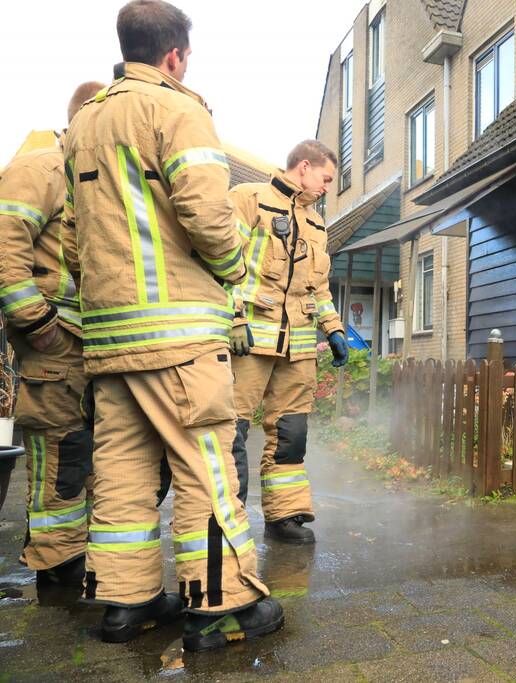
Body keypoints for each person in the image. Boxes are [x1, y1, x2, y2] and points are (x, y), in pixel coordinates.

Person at [62, 0, 282, 651]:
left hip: (108, 336)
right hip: (180, 334)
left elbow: (76, 237)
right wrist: (239, 267)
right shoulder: (179, 108)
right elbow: (209, 216)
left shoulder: (82, 125)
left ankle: (125, 603)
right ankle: (220, 606)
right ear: (175, 55)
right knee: (204, 466)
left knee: (123, 469)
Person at [0, 81, 104, 588]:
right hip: (55, 343)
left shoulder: (85, 178)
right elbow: (4, 244)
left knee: (78, 449)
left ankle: (65, 553)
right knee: (61, 453)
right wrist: (36, 323)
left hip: (83, 344)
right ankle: (56, 563)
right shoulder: (40, 169)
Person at [228, 140, 347, 544]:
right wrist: (233, 318)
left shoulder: (317, 225)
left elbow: (320, 288)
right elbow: (221, 263)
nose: (328, 187)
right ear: (305, 167)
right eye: (326, 178)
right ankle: (229, 518)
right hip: (250, 341)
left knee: (291, 432)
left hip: (297, 346)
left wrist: (333, 329)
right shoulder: (250, 200)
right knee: (232, 430)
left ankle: (285, 515)